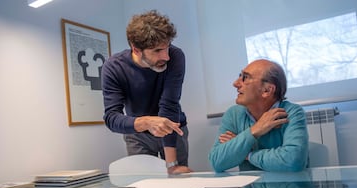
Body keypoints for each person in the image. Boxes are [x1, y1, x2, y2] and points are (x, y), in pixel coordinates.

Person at [101, 10, 192, 174]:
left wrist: (171, 165)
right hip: (138, 134)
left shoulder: (176, 56)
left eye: (167, 47)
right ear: (136, 50)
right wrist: (146, 122)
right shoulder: (114, 67)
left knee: (178, 183)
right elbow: (111, 118)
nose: (166, 56)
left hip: (173, 127)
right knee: (144, 186)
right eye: (157, 50)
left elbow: (169, 105)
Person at [208, 59, 309, 172]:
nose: (235, 83)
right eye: (240, 76)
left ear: (267, 90)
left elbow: (293, 161)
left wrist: (247, 154)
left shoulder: (292, 112)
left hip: (288, 187)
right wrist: (254, 130)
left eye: (245, 78)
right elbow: (216, 161)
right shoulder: (233, 114)